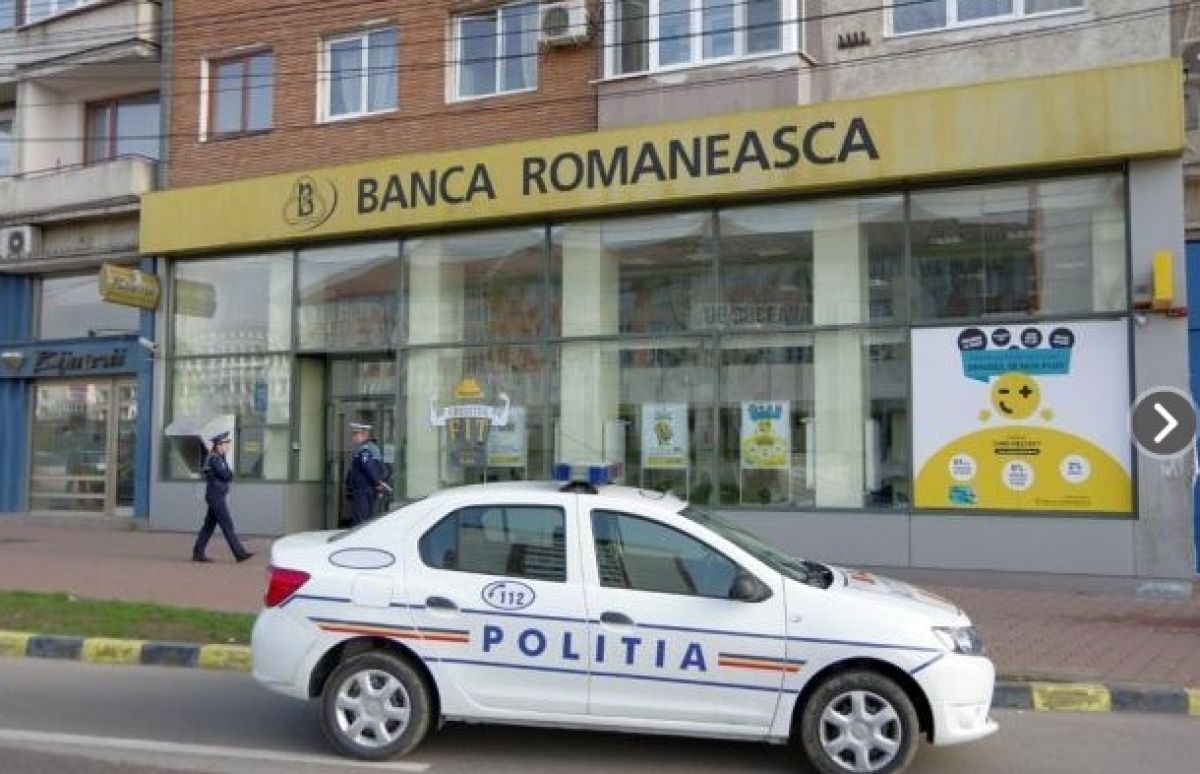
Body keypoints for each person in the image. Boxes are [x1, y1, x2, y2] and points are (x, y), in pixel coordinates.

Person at [192, 431, 254, 563]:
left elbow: (227, 474)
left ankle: (198, 553)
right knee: (227, 524)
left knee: (208, 526)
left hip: (216, 496)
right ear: (219, 445)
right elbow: (226, 475)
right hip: (216, 497)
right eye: (226, 444)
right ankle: (239, 553)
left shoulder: (219, 458)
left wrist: (226, 465)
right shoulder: (215, 459)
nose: (228, 446)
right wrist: (228, 472)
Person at [345, 422, 386, 526]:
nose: (354, 437)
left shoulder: (365, 450)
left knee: (361, 519)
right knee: (364, 518)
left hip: (363, 488)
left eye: (356, 434)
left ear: (364, 435)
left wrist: (377, 482)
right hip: (364, 488)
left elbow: (368, 467)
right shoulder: (368, 448)